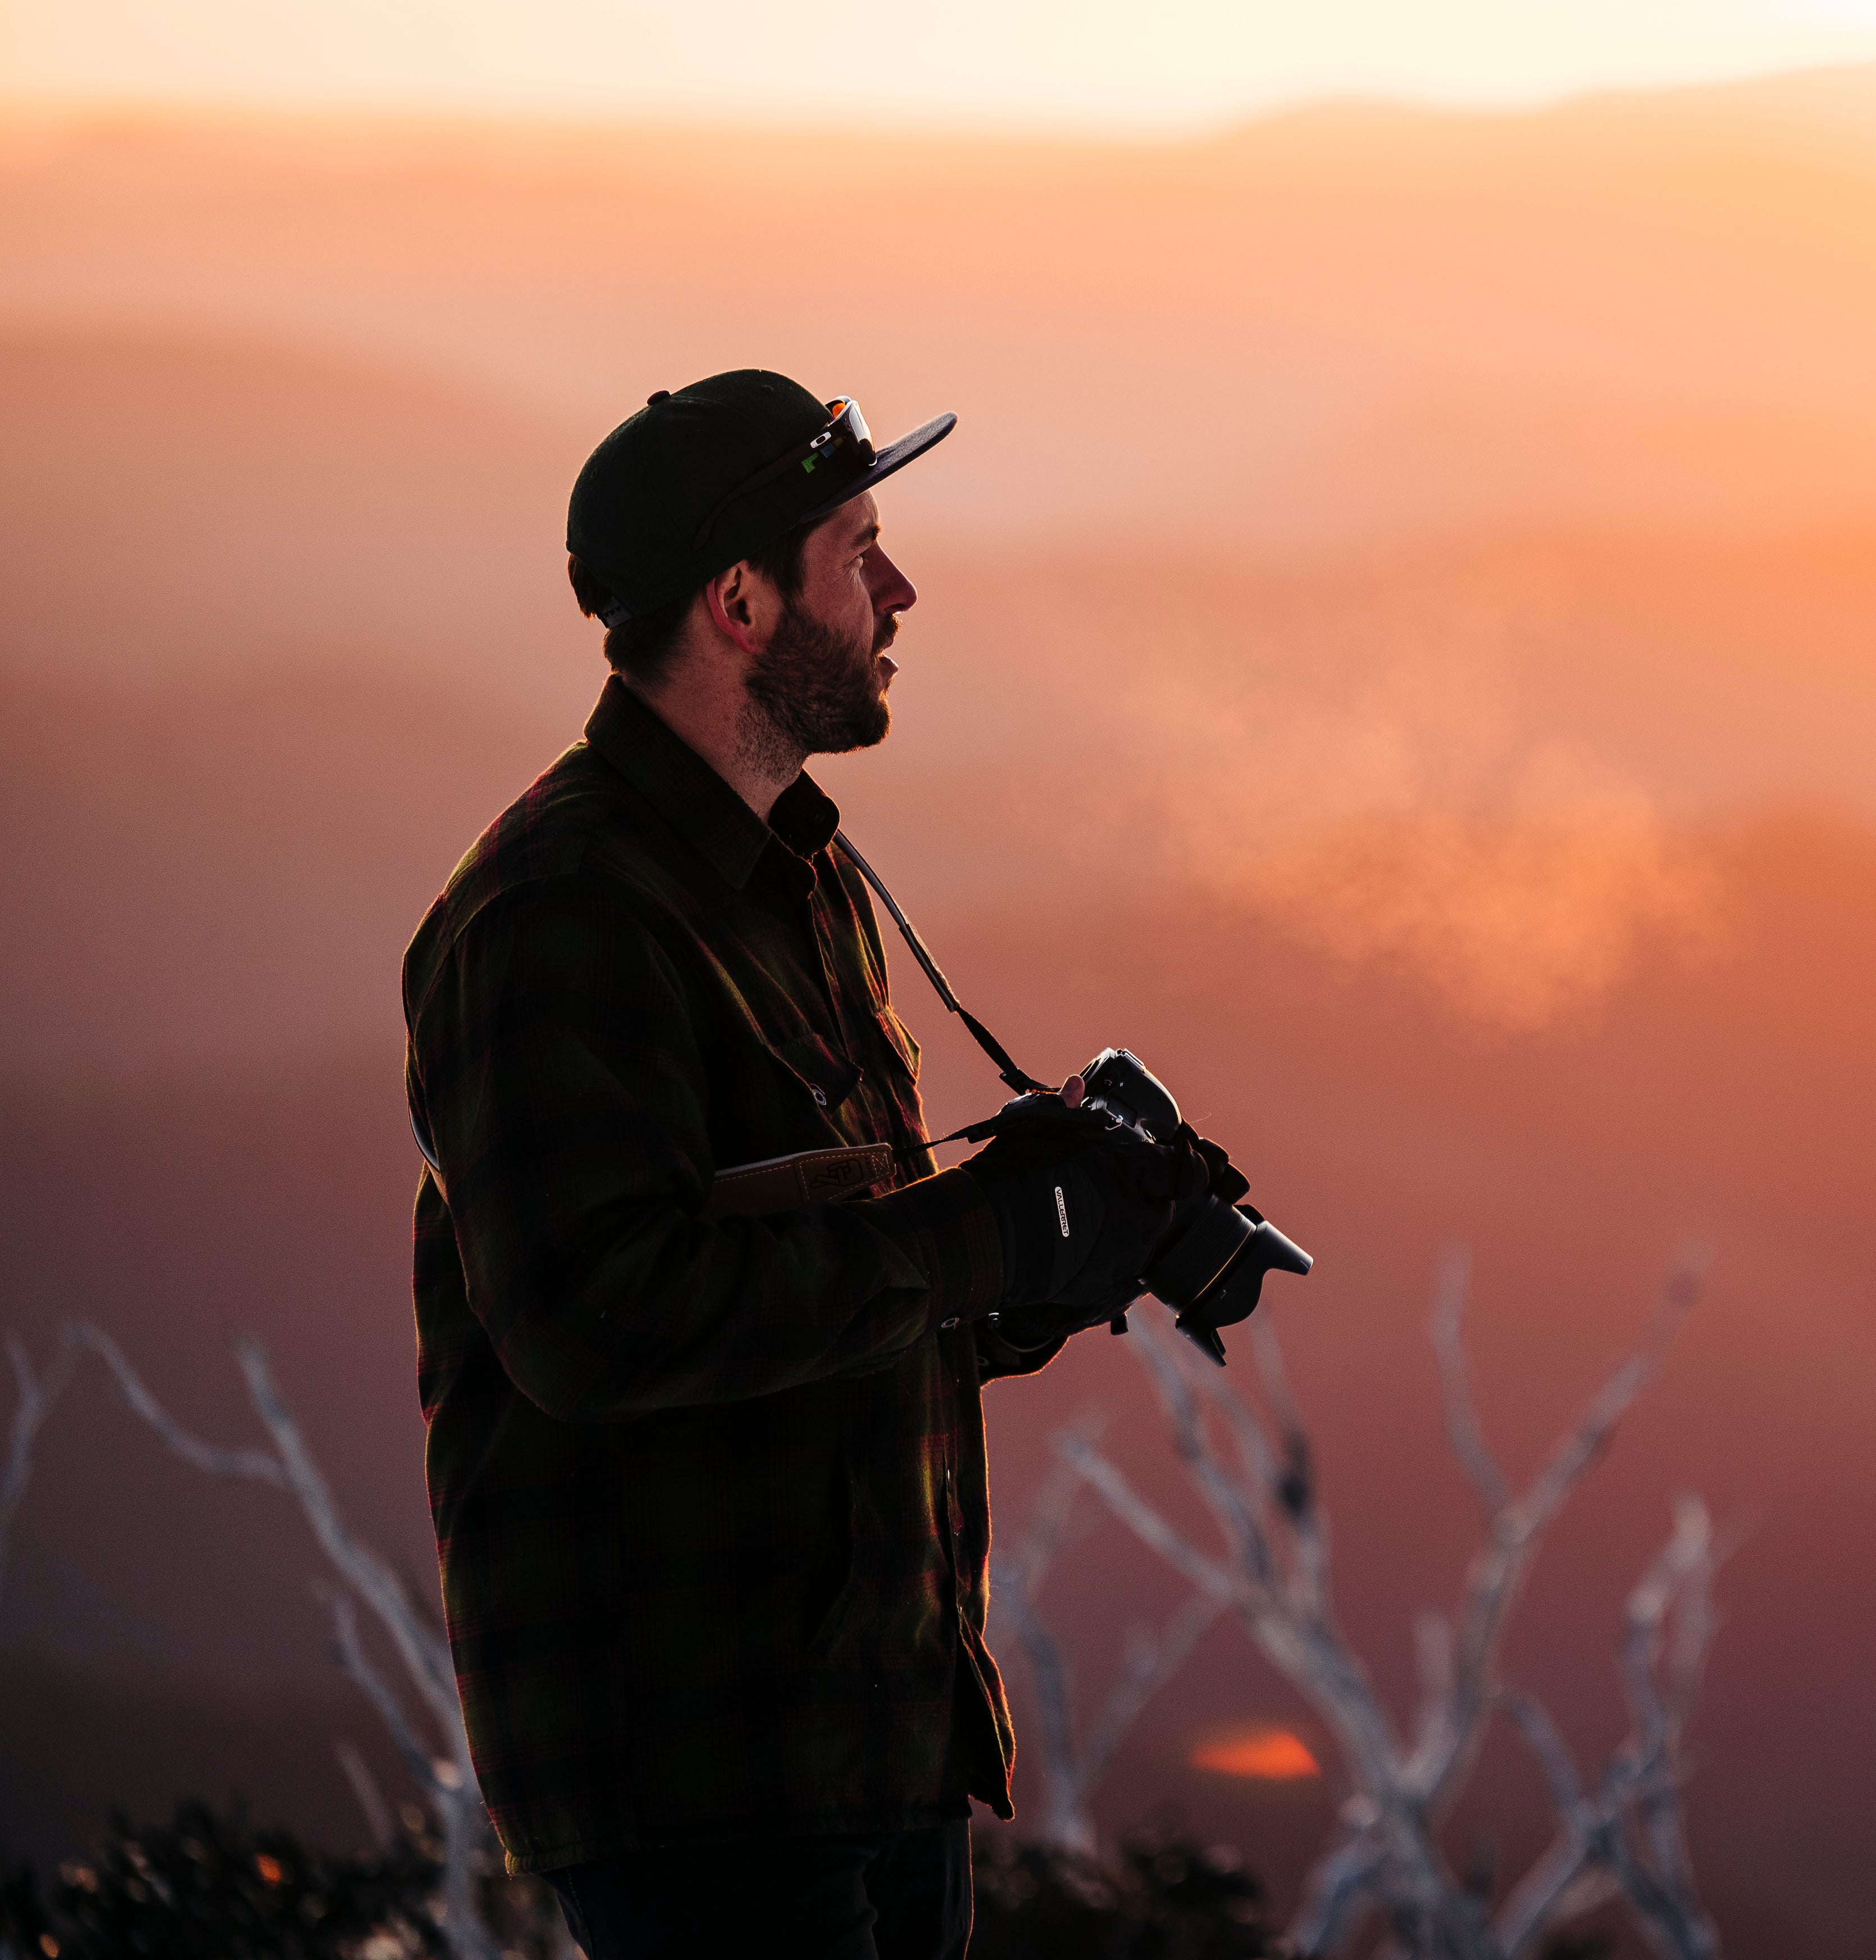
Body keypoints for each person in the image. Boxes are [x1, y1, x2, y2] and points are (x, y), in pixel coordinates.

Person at [401, 372, 1262, 1958]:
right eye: (859, 548)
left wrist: (1067, 1238)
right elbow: (595, 1322)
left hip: (868, 1728)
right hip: (701, 1756)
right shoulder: (558, 915)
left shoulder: (797, 876)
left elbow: (827, 1281)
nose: (900, 588)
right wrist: (996, 1236)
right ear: (739, 602)